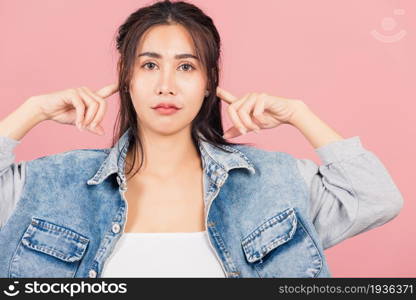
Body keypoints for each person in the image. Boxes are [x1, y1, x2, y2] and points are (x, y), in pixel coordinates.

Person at [0, 0, 403, 278]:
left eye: (187, 67)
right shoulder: (50, 182)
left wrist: (300, 115)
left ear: (209, 81)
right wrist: (30, 113)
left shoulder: (274, 181)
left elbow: (376, 198)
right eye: (150, 64)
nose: (166, 85)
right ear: (126, 76)